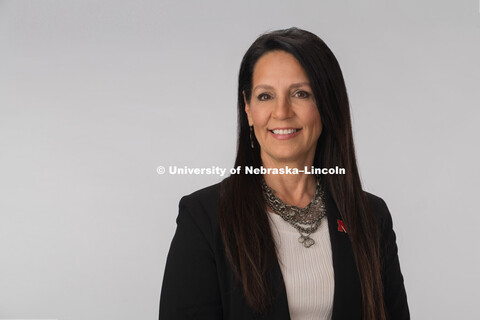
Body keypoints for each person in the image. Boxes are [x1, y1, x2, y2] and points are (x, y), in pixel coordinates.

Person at [158, 27, 409, 320]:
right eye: (265, 96)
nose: (282, 111)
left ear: (327, 105)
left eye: (300, 93)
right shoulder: (204, 217)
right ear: (248, 109)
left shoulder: (370, 216)